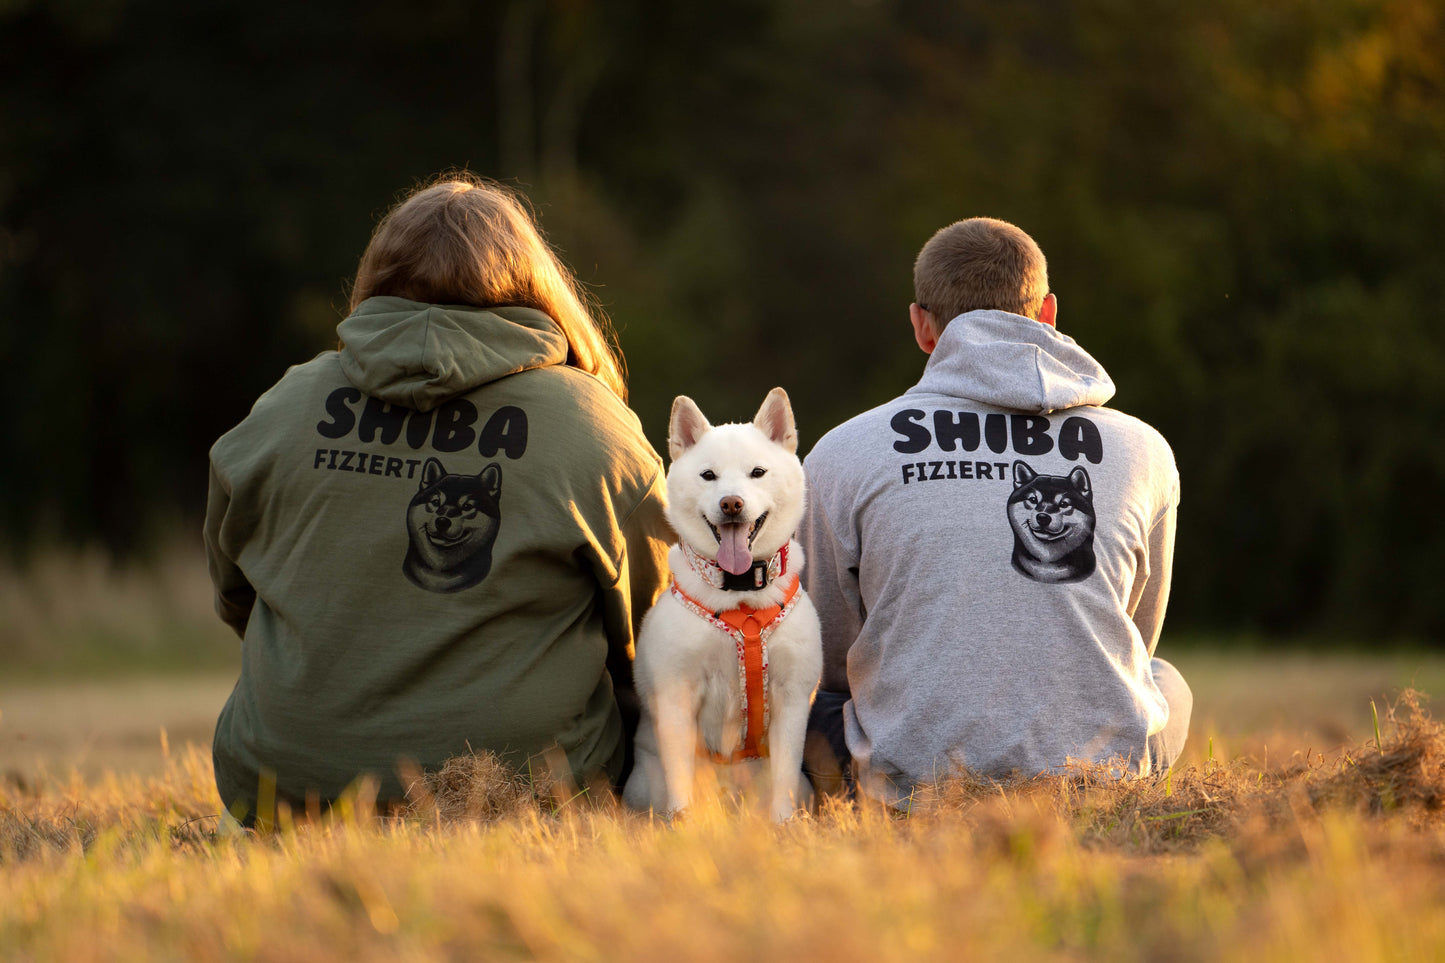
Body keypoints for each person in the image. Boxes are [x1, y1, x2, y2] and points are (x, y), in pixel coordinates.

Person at [204, 174, 671, 824]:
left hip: (280, 790)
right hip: (524, 797)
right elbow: (656, 624)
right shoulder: (590, 426)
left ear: (376, 278)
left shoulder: (284, 408)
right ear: (536, 282)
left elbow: (235, 592)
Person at [800, 217, 1190, 805]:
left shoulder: (842, 452)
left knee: (799, 694)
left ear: (922, 327)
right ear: (1049, 313)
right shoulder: (1145, 451)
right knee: (1163, 679)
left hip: (901, 786)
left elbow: (826, 654)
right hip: (1098, 780)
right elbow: (1135, 628)